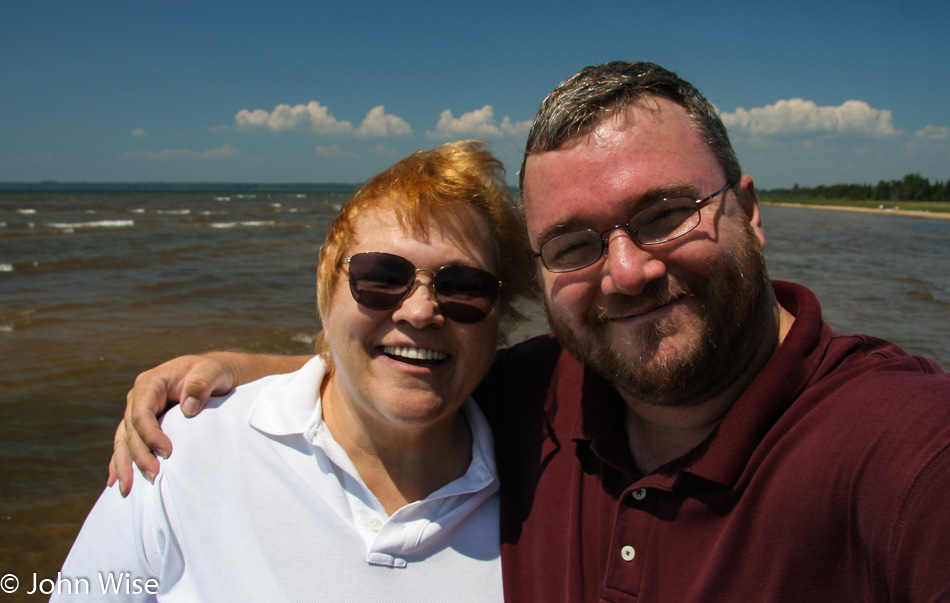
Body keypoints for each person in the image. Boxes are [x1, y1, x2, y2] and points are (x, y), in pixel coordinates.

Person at [112, 62, 950, 601]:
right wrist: (226, 372)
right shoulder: (545, 391)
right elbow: (406, 362)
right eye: (576, 244)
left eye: (665, 214)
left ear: (751, 212)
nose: (626, 271)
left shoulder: (899, 445)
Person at [57, 140, 537, 602]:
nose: (420, 311)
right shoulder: (184, 452)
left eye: (463, 286)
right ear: (326, 293)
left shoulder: (543, 494)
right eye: (383, 277)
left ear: (498, 319)